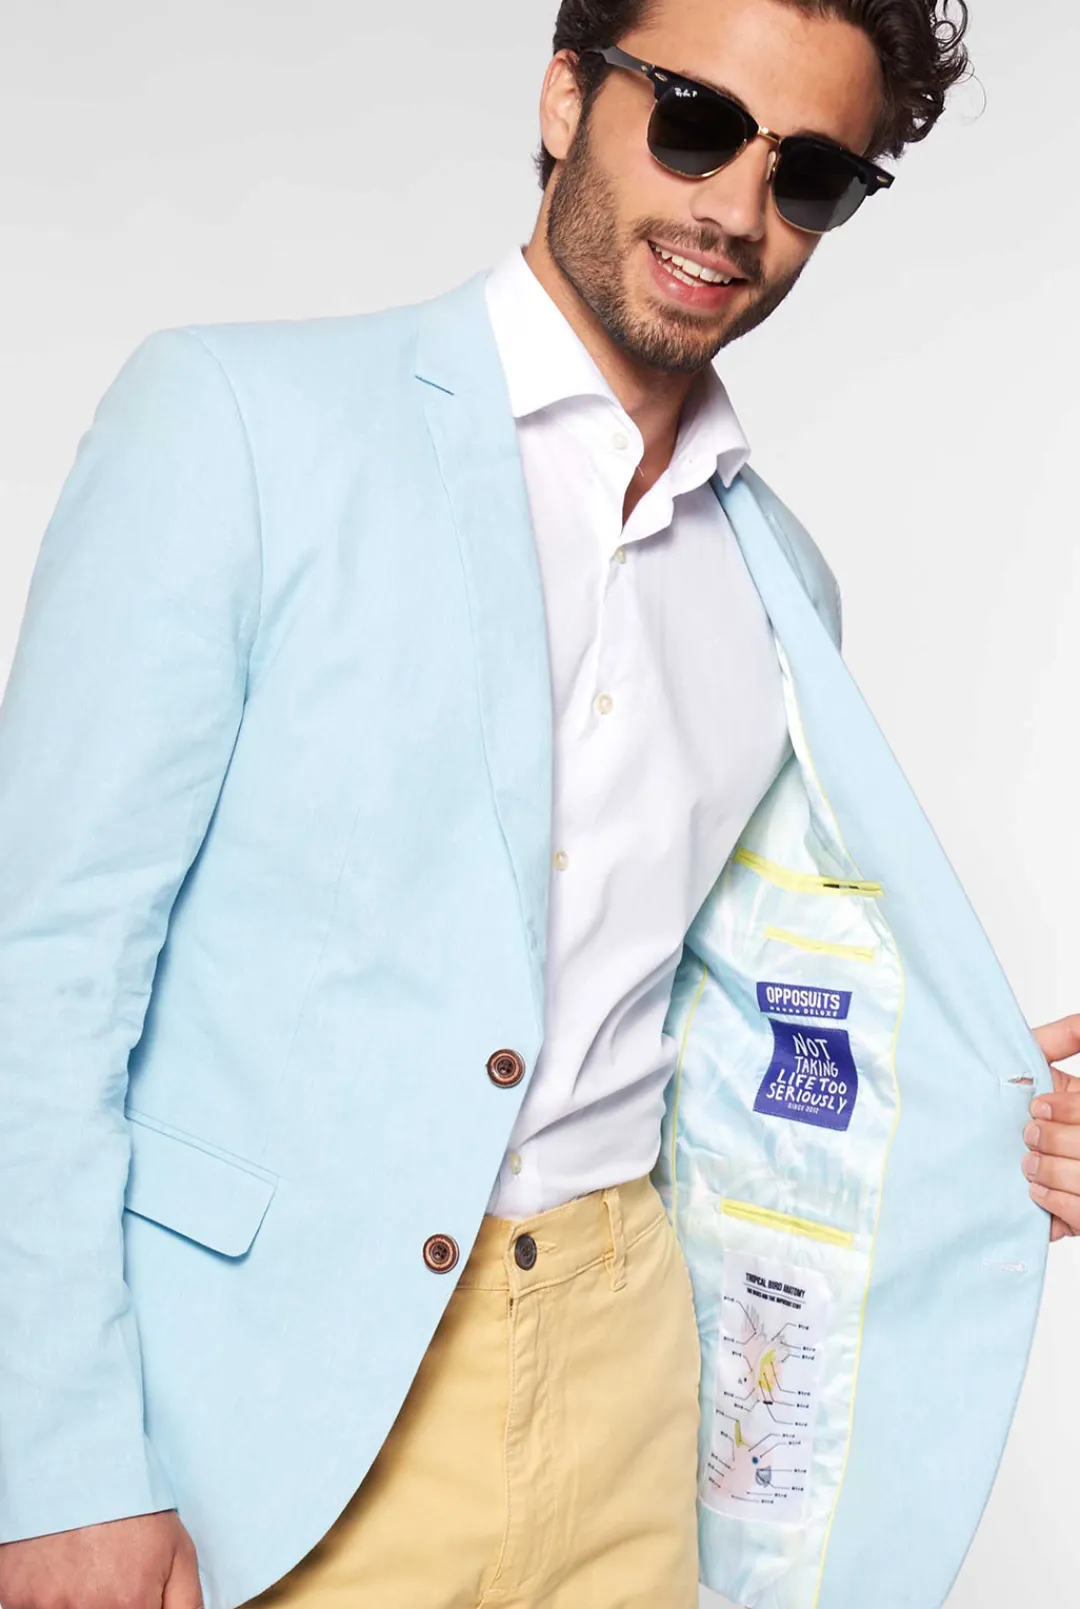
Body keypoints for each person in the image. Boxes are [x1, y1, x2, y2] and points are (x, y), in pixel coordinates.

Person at [0, 0, 1077, 1606]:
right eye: (696, 121)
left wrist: (989, 1133)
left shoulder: (782, 587)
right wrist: (60, 1462)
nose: (737, 209)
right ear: (569, 96)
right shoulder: (238, 422)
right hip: (274, 1407)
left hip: (632, 1385)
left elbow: (734, 1024)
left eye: (809, 174)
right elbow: (40, 968)